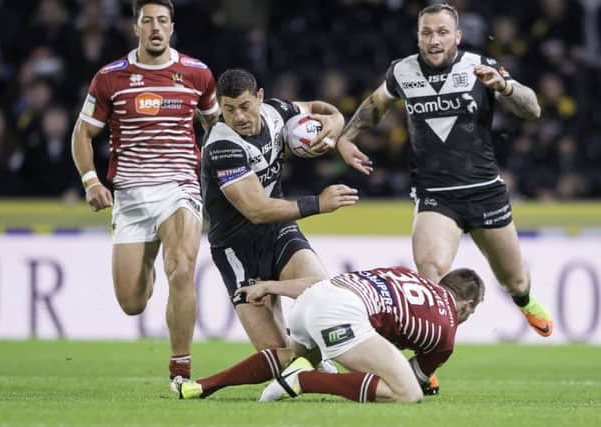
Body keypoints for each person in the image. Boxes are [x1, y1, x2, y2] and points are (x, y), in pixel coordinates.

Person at [336, 3, 552, 337]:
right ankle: (427, 356)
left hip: (484, 192)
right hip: (436, 196)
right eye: (426, 33)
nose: (434, 39)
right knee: (431, 276)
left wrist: (504, 87)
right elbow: (375, 105)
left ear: (457, 37)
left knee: (515, 280)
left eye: (442, 32)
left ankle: (524, 301)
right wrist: (345, 138)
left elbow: (532, 108)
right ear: (418, 37)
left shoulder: (480, 66)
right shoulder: (402, 71)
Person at [70, 0, 220, 387]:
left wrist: (225, 174)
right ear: (135, 28)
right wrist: (90, 181)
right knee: (132, 303)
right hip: (132, 198)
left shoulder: (198, 74)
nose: (156, 28)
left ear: (172, 27)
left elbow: (216, 127)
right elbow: (82, 133)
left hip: (180, 187)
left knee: (183, 268)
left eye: (163, 21)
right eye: (148, 21)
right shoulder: (110, 77)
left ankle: (180, 371)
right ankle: (151, 253)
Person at [200, 68, 358, 358]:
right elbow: (257, 210)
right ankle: (309, 362)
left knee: (322, 293)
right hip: (237, 248)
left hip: (279, 231)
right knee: (277, 356)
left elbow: (317, 108)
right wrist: (317, 204)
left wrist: (335, 120)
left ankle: (320, 360)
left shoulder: (276, 112)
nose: (239, 117)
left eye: (245, 106)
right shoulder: (222, 146)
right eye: (229, 109)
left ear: (260, 98)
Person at [174, 266, 484, 403]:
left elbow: (341, 284)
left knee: (293, 355)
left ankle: (201, 386)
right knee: (407, 393)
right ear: (467, 305)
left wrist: (273, 287)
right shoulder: (446, 334)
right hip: (343, 315)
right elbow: (414, 377)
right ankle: (302, 380)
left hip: (317, 295)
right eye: (472, 312)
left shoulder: (407, 275)